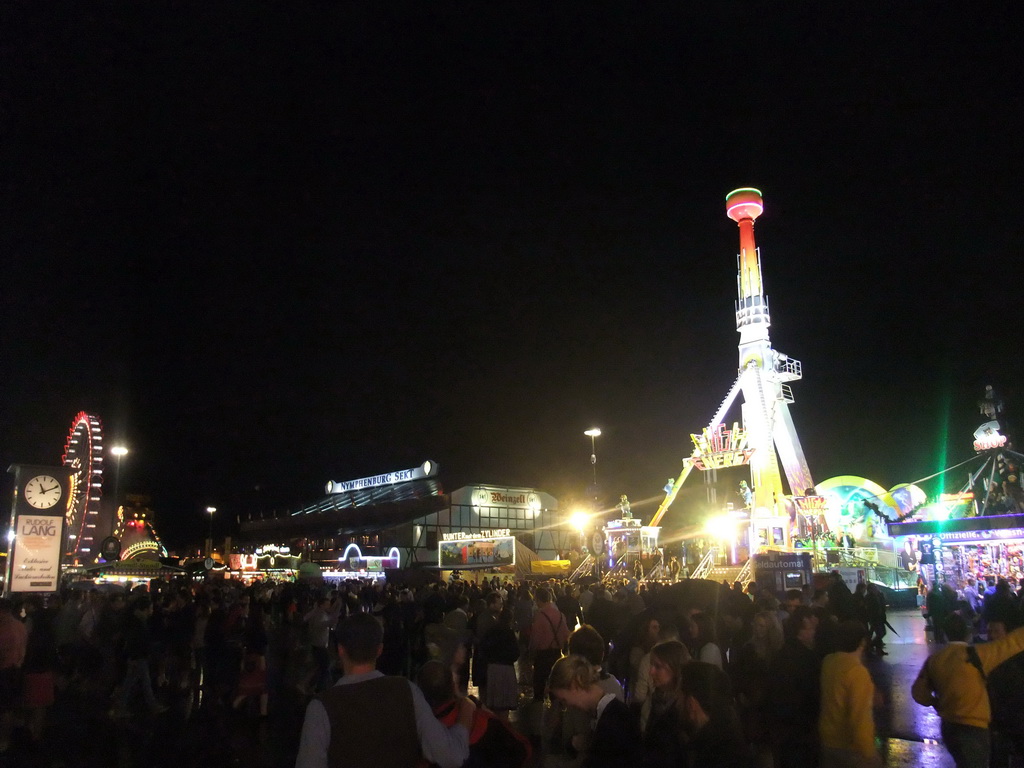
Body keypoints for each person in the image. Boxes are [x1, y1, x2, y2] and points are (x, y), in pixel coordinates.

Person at [296, 612, 473, 768]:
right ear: (379, 650)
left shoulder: (321, 707)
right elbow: (450, 755)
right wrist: (466, 710)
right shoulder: (406, 691)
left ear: (341, 650)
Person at [911, 613, 1024, 768]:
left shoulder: (935, 660)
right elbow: (1014, 642)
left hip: (949, 726)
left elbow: (918, 693)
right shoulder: (976, 655)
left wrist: (936, 703)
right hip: (974, 729)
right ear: (968, 633)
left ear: (945, 633)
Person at [547, 654, 641, 768]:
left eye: (564, 700)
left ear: (575, 685)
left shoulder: (614, 719)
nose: (567, 706)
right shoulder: (607, 713)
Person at [818, 620, 881, 768]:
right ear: (863, 642)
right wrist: (868, 752)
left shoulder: (828, 661)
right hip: (850, 746)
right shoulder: (857, 672)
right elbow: (860, 717)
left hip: (828, 740)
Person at [771, 607, 822, 768]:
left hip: (783, 727)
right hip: (802, 728)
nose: (814, 632)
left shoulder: (781, 654)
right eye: (810, 629)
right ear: (800, 631)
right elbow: (813, 694)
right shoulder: (807, 658)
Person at [675, 661, 750, 768]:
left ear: (691, 704)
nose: (677, 702)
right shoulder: (727, 735)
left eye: (679, 695)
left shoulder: (712, 754)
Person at [639, 639, 691, 767]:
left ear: (675, 670)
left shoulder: (684, 709)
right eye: (651, 665)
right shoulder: (657, 699)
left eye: (658, 666)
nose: (651, 671)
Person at [528, 586, 569, 701]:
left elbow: (535, 639)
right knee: (555, 683)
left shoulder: (540, 616)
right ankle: (555, 708)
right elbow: (566, 635)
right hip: (556, 653)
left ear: (539, 600)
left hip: (542, 654)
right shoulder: (560, 615)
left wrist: (531, 653)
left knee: (539, 682)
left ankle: (538, 710)